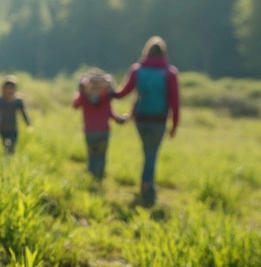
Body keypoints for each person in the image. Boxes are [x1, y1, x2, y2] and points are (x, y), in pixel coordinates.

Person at [114, 37, 181, 207]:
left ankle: (147, 180)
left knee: (147, 150)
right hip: (159, 119)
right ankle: (147, 184)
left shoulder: (138, 70)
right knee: (152, 152)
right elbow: (175, 102)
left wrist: (107, 91)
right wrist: (174, 125)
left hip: (141, 118)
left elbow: (123, 93)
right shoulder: (170, 72)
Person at [72, 69, 127, 182]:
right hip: (103, 131)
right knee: (101, 156)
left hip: (89, 131)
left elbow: (75, 105)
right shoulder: (106, 98)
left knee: (91, 155)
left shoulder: (83, 97)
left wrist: (80, 92)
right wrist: (120, 119)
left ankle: (90, 178)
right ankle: (99, 178)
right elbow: (111, 113)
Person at [0, 75, 31, 154]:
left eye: (11, 88)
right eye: (7, 88)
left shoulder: (18, 101)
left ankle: (10, 163)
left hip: (13, 129)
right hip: (2, 129)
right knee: (4, 147)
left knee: (12, 149)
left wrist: (28, 124)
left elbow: (23, 113)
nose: (9, 90)